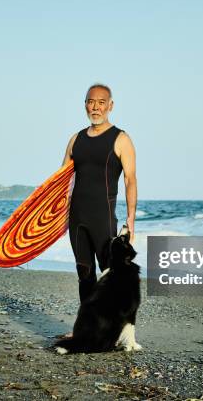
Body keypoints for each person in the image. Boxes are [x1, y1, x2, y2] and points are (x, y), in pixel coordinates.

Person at [62, 83, 137, 303]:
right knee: (84, 273)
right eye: (91, 102)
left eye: (101, 102)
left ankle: (113, 329)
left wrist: (130, 220)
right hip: (77, 219)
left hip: (103, 218)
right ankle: (86, 329)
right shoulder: (76, 140)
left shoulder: (121, 139)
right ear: (85, 105)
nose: (95, 107)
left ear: (110, 106)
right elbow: (63, 180)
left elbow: (130, 179)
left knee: (110, 274)